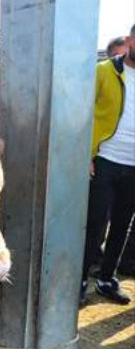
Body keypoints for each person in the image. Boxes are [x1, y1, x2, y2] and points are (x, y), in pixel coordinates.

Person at [80, 24, 135, 307]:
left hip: (133, 166)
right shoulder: (104, 72)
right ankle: (79, 281)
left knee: (122, 225)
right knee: (95, 222)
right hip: (105, 160)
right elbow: (82, 111)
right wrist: (86, 153)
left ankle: (106, 279)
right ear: (130, 41)